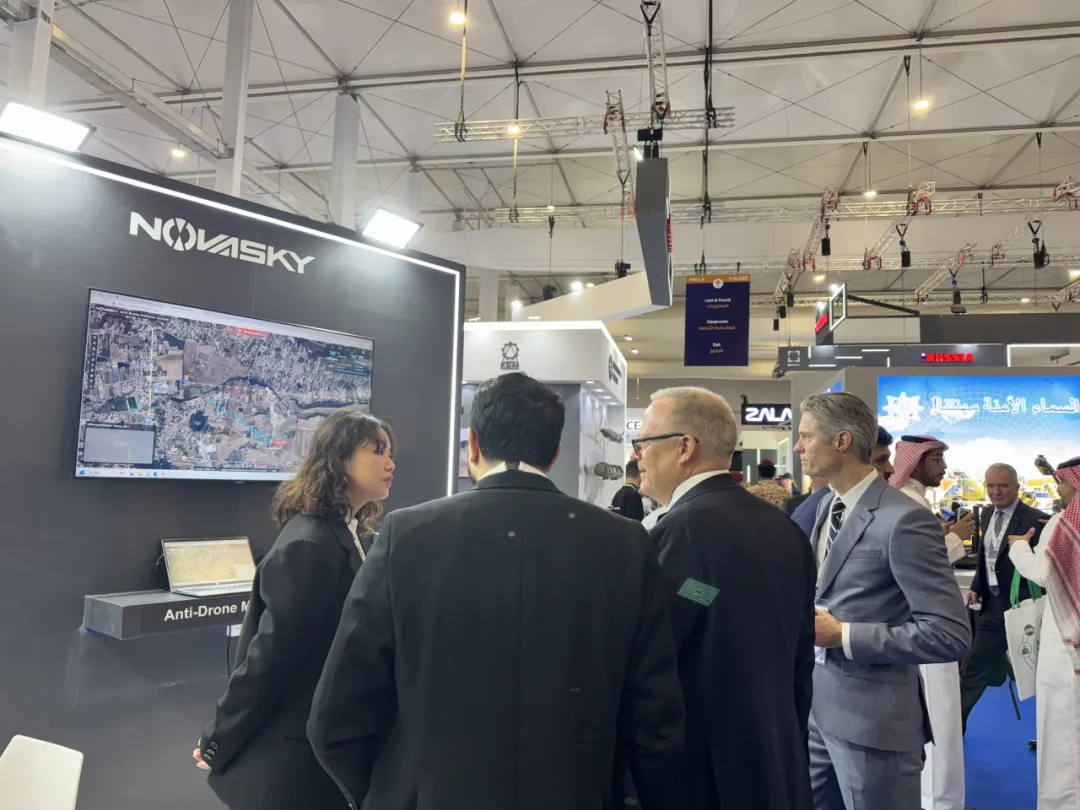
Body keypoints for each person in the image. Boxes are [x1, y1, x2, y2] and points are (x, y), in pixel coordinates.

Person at [307, 372, 685, 810]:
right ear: (555, 453)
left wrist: (389, 793)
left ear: (472, 444)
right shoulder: (624, 542)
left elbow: (337, 711)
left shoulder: (405, 535)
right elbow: (656, 715)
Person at [192, 411, 396, 810]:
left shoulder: (350, 536)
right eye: (377, 452)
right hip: (289, 768)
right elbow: (269, 660)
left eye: (390, 454)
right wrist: (217, 739)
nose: (390, 464)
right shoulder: (310, 545)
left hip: (321, 756)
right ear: (339, 459)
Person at [633, 386, 815, 810]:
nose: (637, 456)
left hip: (703, 769)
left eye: (643, 443)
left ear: (684, 447)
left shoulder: (680, 531)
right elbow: (797, 652)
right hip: (775, 757)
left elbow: (663, 641)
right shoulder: (784, 529)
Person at [794, 393, 971, 810]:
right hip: (819, 713)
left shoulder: (905, 518)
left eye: (806, 436)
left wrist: (844, 635)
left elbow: (949, 635)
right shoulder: (826, 507)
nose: (798, 447)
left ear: (841, 441)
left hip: (875, 725)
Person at [889, 436, 973, 810]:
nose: (943, 468)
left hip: (922, 625)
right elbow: (923, 564)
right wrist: (956, 540)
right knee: (939, 714)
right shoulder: (909, 504)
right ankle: (939, 801)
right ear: (918, 461)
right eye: (937, 459)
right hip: (926, 627)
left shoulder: (914, 500)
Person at [1009, 456, 1080, 810]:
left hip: (1065, 639)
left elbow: (1041, 572)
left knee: (1061, 724)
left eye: (1063, 482)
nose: (1060, 488)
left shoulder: (1062, 524)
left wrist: (1019, 546)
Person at [960, 462, 1048, 731]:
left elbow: (1044, 567)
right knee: (973, 668)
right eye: (990, 486)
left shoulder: (1037, 519)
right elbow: (987, 557)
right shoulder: (987, 513)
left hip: (1027, 607)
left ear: (1017, 487)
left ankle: (1054, 734)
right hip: (993, 606)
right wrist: (977, 586)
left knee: (1040, 673)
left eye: (1003, 486)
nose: (995, 492)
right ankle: (951, 730)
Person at [791, 426, 893, 538]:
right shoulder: (817, 509)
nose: (891, 469)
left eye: (807, 437)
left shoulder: (895, 511)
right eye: (881, 460)